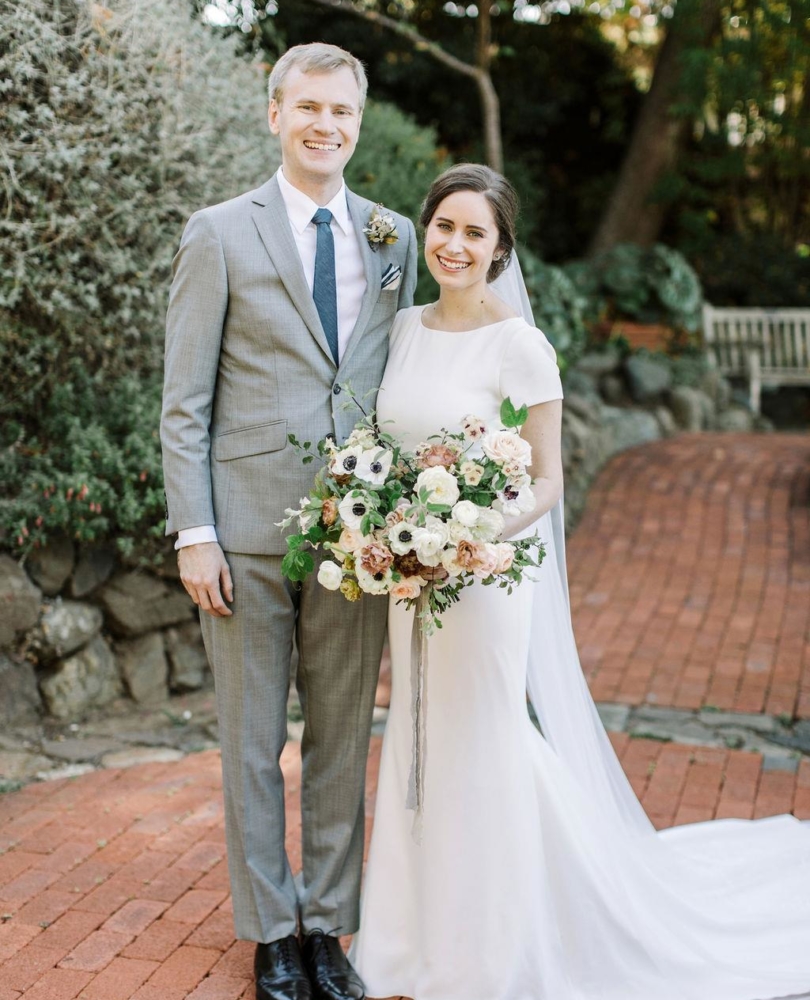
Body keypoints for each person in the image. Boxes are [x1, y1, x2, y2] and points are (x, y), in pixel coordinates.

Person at [350, 163, 810, 1000]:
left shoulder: (521, 345)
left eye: (474, 233)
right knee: (417, 736)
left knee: (483, 735)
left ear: (499, 250)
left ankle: (493, 945)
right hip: (411, 573)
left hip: (483, 577)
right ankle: (407, 936)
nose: (454, 245)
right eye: (444, 226)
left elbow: (548, 480)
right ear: (426, 232)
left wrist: (469, 535)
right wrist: (384, 526)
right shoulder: (404, 328)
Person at [160, 43, 417, 1000]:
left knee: (344, 737)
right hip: (245, 535)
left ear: (357, 121)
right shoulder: (219, 233)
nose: (325, 126)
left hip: (357, 537)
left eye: (341, 111)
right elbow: (183, 401)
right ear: (275, 115)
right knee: (253, 742)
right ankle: (271, 932)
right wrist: (195, 532)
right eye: (308, 107)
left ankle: (327, 929)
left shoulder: (393, 240)